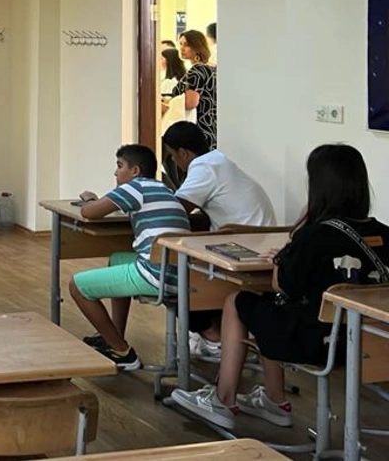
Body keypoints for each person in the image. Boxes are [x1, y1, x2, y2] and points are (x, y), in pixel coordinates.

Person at [170, 144, 389, 431]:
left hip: (318, 343)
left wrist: (281, 258)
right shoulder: (384, 233)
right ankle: (273, 400)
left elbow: (283, 286)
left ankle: (223, 398)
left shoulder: (315, 235)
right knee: (267, 307)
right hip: (372, 343)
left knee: (239, 302)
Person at [162, 121, 277, 359]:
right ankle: (217, 334)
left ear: (184, 153)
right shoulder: (218, 161)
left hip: (244, 251)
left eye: (172, 155)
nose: (173, 161)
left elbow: (174, 210)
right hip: (261, 246)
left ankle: (213, 338)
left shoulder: (204, 169)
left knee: (176, 277)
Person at [69, 144, 190, 370]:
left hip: (155, 275)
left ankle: (122, 353)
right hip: (180, 273)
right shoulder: (164, 188)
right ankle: (113, 336)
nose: (115, 172)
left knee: (77, 286)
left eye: (119, 166)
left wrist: (89, 200)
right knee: (117, 258)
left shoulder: (134, 188)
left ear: (135, 171)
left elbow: (89, 213)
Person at [171, 29, 217, 149]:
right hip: (213, 126)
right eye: (180, 44)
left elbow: (191, 102)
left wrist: (169, 104)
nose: (182, 49)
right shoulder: (212, 69)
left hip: (200, 128)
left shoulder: (197, 70)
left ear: (197, 46)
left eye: (186, 45)